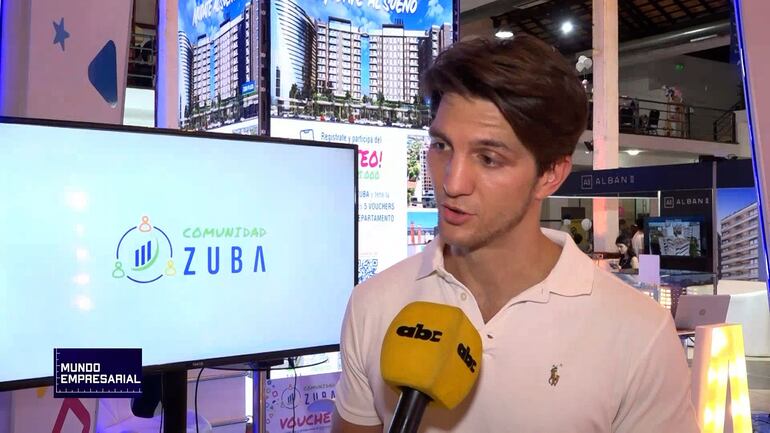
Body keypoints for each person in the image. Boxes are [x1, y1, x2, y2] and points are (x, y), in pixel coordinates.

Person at [332, 35, 698, 433]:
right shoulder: (374, 304)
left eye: (489, 158)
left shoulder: (639, 334)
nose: (452, 182)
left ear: (550, 174)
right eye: (441, 145)